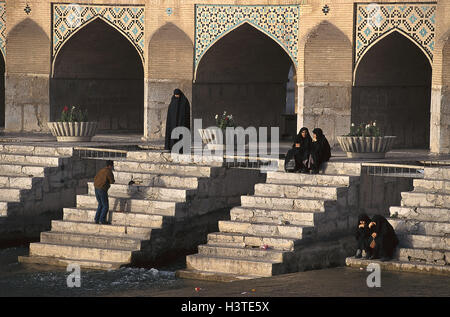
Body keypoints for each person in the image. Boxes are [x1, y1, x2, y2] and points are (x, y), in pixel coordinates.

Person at [94, 160, 115, 225]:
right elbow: (112, 181)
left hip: (96, 188)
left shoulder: (101, 170)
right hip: (102, 189)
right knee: (105, 206)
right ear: (110, 166)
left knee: (100, 204)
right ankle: (102, 220)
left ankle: (96, 219)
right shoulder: (108, 172)